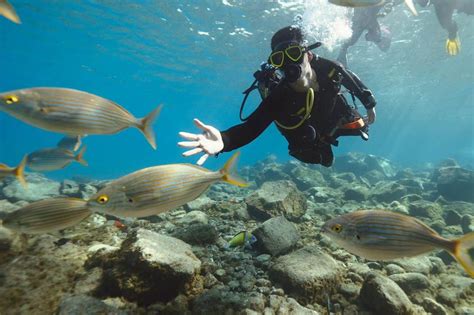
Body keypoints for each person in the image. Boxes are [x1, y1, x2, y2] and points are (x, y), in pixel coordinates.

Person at [178, 26, 377, 167]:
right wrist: (223, 140)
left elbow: (351, 80)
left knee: (360, 127)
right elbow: (250, 129)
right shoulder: (279, 96)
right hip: (304, 133)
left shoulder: (329, 68)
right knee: (322, 160)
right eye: (279, 58)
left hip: (334, 116)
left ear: (307, 54)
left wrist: (368, 103)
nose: (288, 63)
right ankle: (321, 146)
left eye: (293, 53)